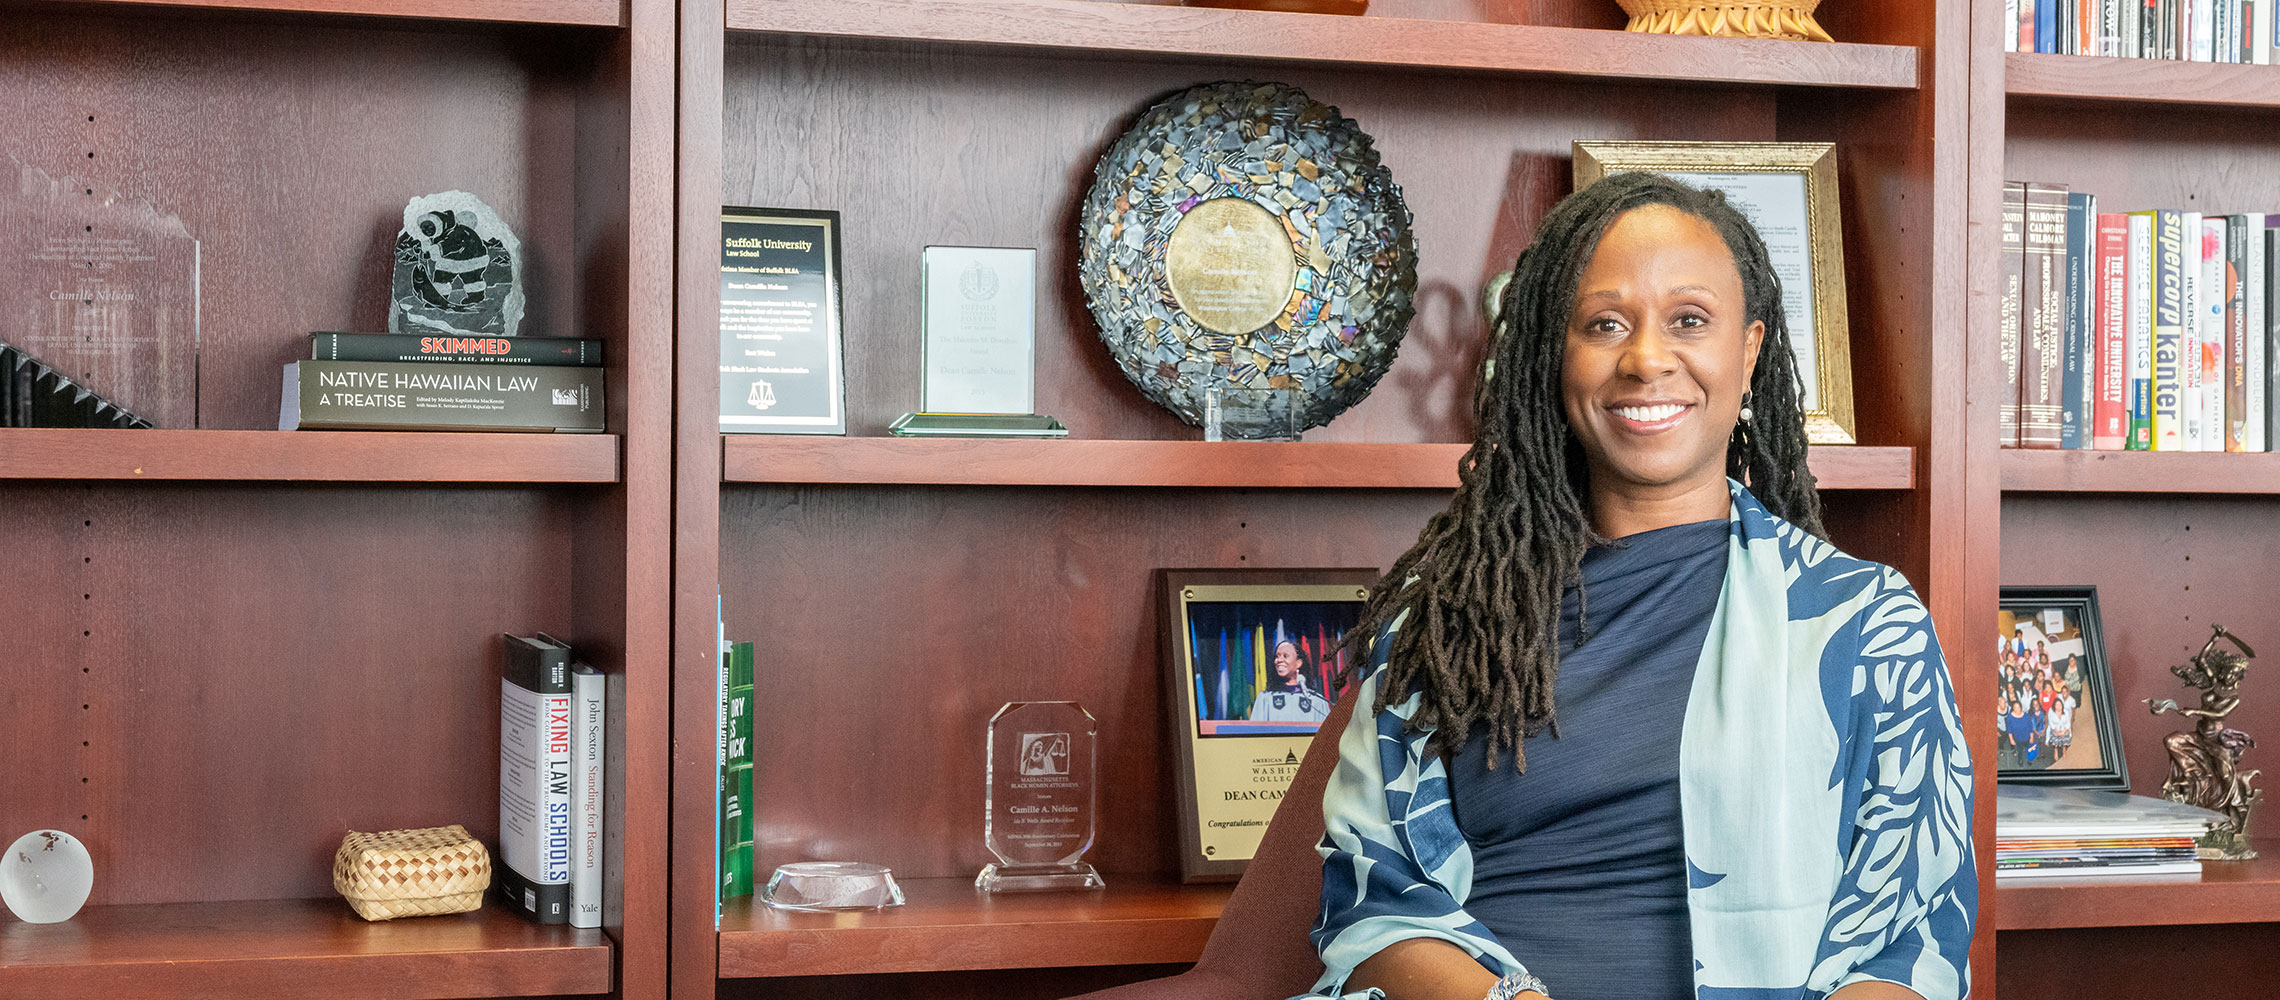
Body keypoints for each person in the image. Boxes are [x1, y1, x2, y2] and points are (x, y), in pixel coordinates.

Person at [1299, 173, 1975, 1000]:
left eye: (1689, 321)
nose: (1647, 358)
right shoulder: (1448, 623)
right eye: (1605, 324)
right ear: (1556, 355)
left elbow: (1912, 941)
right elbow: (1373, 907)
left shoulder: (1865, 624)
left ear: (1750, 350)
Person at [1252, 631, 1335, 724]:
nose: (1279, 660)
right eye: (1277, 656)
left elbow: (1328, 734)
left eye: (1285, 656)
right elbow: (1254, 733)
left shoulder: (1317, 701)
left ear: (1298, 663)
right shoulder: (1265, 699)